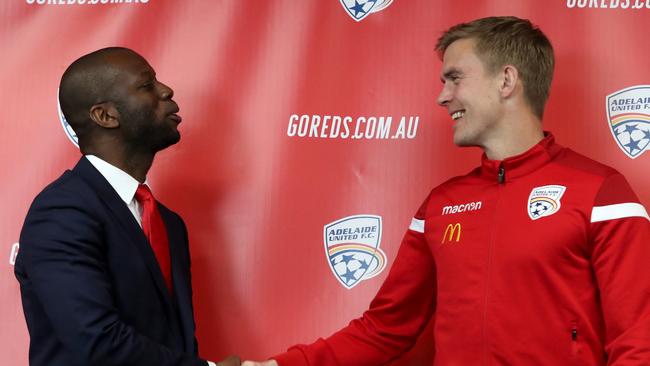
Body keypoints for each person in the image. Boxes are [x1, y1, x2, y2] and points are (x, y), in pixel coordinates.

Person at [242, 16, 650, 366]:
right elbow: (384, 328)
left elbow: (638, 343)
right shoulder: (442, 205)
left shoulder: (601, 193)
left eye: (455, 78)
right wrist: (279, 365)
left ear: (506, 80)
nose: (442, 96)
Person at [14, 47, 239, 366]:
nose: (166, 90)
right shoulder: (62, 213)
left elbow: (175, 342)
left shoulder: (169, 224)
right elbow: (96, 341)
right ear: (105, 116)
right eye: (147, 85)